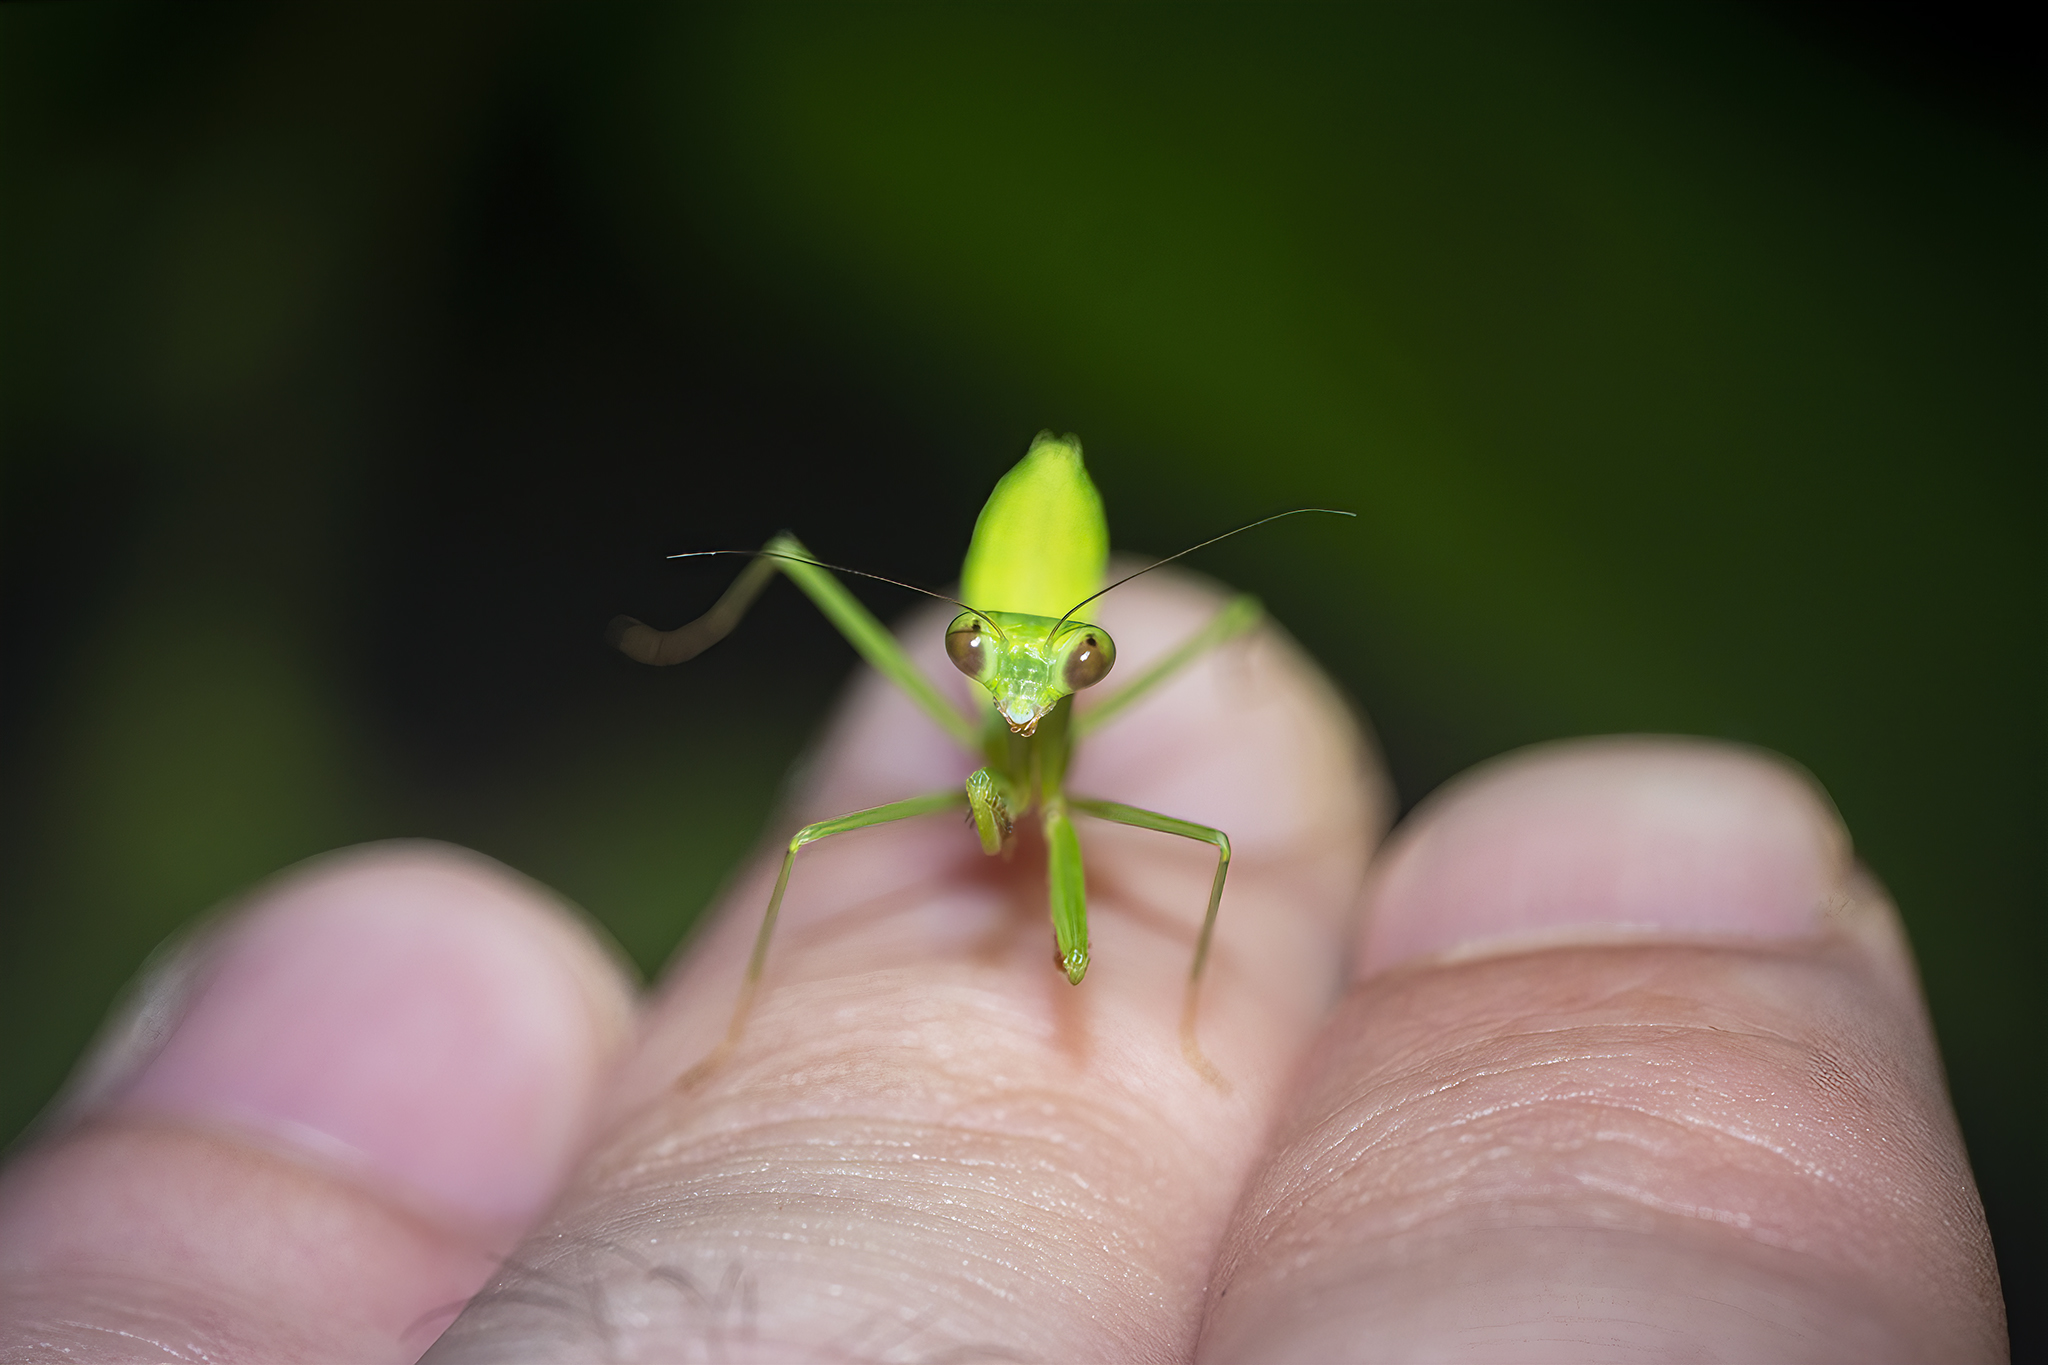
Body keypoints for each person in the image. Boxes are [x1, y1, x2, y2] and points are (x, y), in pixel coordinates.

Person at [0, 578, 2005, 1362]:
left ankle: (1179, 994)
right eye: (999, 667)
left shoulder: (1084, 729)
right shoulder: (976, 705)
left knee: (1191, 834)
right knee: (823, 829)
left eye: (1049, 675)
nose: (1028, 691)